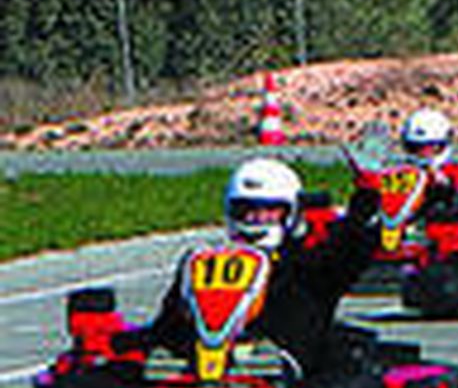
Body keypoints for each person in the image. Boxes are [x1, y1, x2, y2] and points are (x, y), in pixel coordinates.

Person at [116, 157, 381, 375]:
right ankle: (177, 360)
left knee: (306, 299)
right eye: (246, 210)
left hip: (285, 347)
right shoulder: (203, 261)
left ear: (291, 212)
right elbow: (169, 317)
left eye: (269, 211)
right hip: (209, 353)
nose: (255, 219)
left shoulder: (304, 262)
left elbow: (350, 252)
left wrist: (366, 196)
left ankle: (273, 362)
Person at [399, 106, 458, 220]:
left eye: (429, 148)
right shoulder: (400, 171)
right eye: (416, 148)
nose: (423, 154)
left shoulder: (456, 171)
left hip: (441, 225)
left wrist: (446, 186)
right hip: (404, 225)